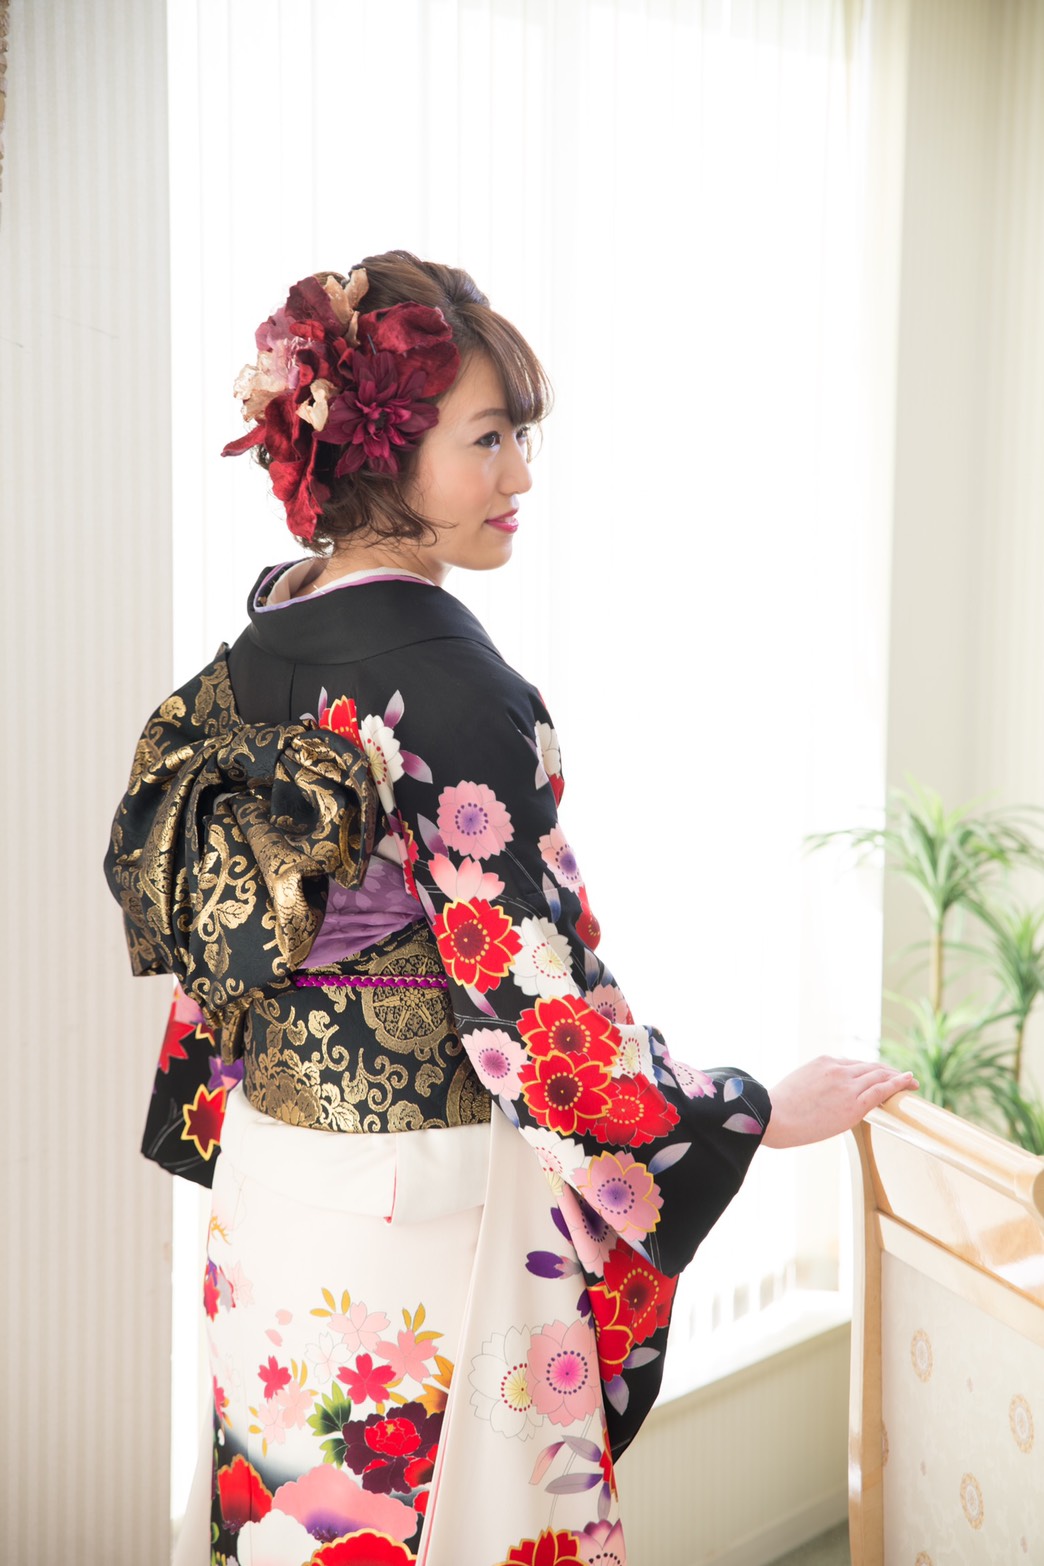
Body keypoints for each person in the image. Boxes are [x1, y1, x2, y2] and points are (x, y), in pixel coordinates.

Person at [103, 251, 916, 1566]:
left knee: (300, 1525)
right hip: (422, 1220)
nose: (521, 477)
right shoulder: (449, 683)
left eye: (520, 438)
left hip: (272, 1182)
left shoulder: (258, 645)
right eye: (489, 439)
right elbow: (540, 997)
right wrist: (748, 1109)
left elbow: (227, 946)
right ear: (382, 447)